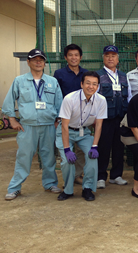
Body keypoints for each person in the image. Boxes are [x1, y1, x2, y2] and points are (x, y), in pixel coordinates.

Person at [2, 49, 63, 200]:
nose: (38, 62)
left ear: (44, 63)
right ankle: (15, 187)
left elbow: (59, 103)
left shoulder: (52, 82)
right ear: (28, 62)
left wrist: (57, 120)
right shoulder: (19, 81)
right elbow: (9, 100)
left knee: (49, 157)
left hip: (48, 125)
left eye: (41, 60)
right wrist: (12, 119)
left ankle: (50, 183)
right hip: (27, 126)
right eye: (34, 60)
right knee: (23, 157)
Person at [56, 71, 107, 201]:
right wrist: (67, 149)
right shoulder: (69, 99)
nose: (91, 86)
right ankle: (68, 190)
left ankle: (88, 188)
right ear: (82, 84)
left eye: (94, 84)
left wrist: (94, 146)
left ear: (98, 86)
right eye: (88, 83)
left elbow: (99, 125)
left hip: (85, 133)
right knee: (67, 161)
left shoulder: (101, 100)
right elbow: (64, 126)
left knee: (92, 157)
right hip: (67, 131)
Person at [54, 44, 88, 185]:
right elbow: (56, 97)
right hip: (65, 119)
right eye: (70, 55)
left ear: (80, 57)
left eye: (76, 55)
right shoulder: (59, 74)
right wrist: (57, 117)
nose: (73, 58)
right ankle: (68, 178)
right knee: (66, 150)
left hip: (82, 120)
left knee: (80, 151)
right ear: (65, 57)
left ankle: (77, 175)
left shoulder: (86, 74)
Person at [96, 45, 129, 189]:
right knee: (103, 148)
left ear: (118, 58)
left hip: (120, 118)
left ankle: (116, 175)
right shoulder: (97, 75)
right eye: (107, 55)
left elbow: (128, 96)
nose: (110, 58)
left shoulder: (123, 76)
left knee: (119, 148)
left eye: (113, 55)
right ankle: (101, 176)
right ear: (103, 57)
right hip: (104, 119)